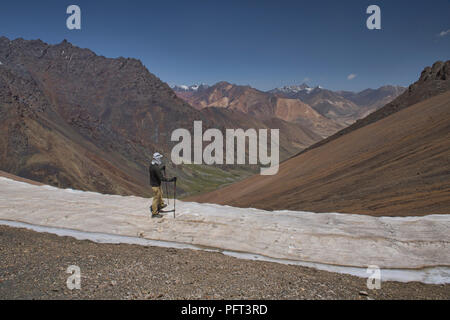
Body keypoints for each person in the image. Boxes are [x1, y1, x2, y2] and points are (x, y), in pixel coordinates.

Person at [149, 152, 176, 218]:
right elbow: (161, 178)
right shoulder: (155, 167)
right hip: (156, 185)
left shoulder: (152, 165)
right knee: (156, 198)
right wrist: (171, 180)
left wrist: (161, 169)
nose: (160, 159)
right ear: (157, 159)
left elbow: (155, 172)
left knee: (160, 194)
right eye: (160, 158)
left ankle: (160, 205)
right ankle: (154, 213)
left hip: (155, 184)